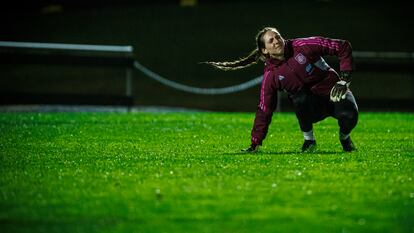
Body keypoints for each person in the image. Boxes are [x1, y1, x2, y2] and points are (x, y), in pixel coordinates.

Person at [205, 27, 358, 152]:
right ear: (265, 50)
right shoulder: (271, 75)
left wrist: (344, 79)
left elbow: (343, 46)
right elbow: (265, 109)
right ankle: (309, 142)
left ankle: (345, 139)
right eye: (271, 41)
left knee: (350, 115)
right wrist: (255, 142)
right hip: (311, 108)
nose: (277, 41)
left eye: (278, 37)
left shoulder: (303, 46)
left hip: (333, 93)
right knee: (299, 97)